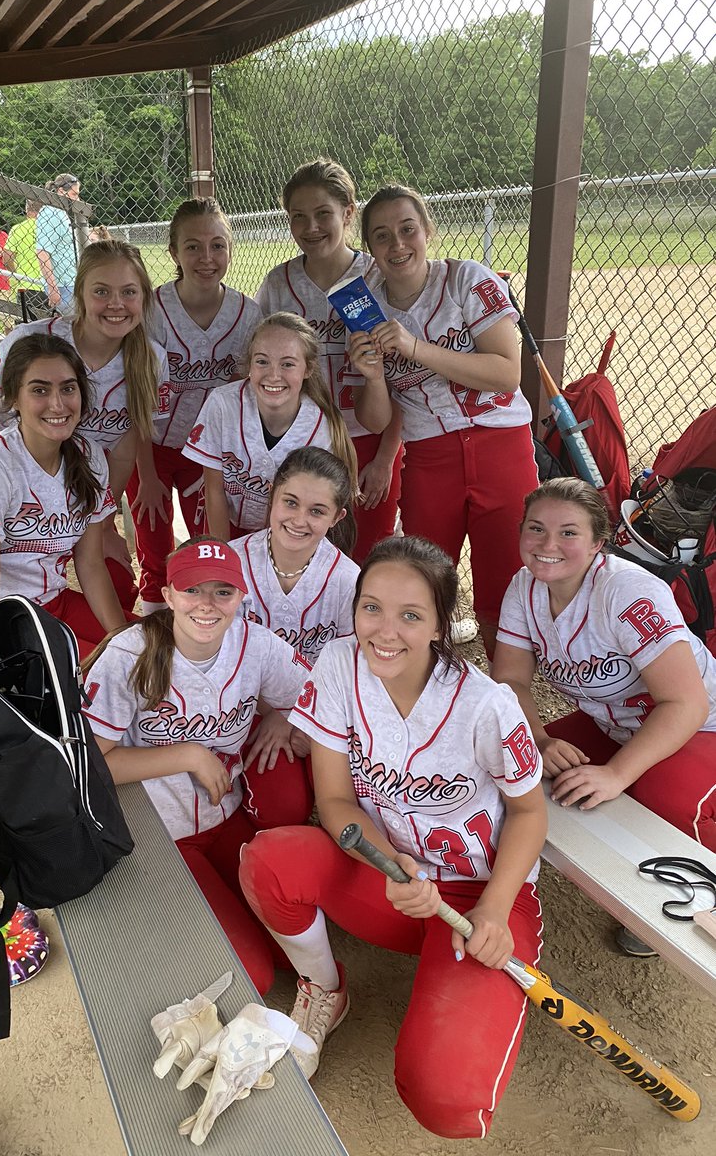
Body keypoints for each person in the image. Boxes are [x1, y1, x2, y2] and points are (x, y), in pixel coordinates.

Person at [238, 536, 546, 1138]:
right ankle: (325, 987)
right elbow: (334, 800)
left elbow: (530, 814)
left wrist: (493, 909)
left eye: (410, 615)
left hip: (474, 895)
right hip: (386, 876)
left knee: (446, 1101)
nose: (384, 630)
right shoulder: (338, 662)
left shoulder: (488, 704)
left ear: (440, 625)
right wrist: (389, 864)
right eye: (371, 607)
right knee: (270, 860)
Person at [82, 538, 310, 994]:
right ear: (168, 596)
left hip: (225, 813)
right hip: (158, 831)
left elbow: (317, 705)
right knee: (252, 975)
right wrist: (189, 754)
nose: (207, 604)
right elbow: (91, 765)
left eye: (222, 591)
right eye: (192, 589)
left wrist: (283, 717)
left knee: (294, 946)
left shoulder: (256, 644)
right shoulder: (129, 654)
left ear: (241, 597)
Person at [351, 184, 539, 656]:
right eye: (381, 236)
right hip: (429, 454)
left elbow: (506, 372)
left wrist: (414, 348)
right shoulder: (366, 307)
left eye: (407, 229)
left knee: (505, 582)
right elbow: (375, 420)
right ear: (369, 248)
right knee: (423, 584)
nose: (397, 244)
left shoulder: (465, 279)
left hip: (499, 443)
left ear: (428, 231)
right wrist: (373, 377)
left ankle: (507, 686)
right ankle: (423, 681)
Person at [493, 477, 716, 855]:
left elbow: (687, 704)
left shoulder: (626, 590)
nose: (548, 545)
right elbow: (510, 680)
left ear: (597, 543)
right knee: (514, 761)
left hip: (703, 724)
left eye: (568, 532)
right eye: (536, 529)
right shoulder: (524, 586)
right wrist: (540, 740)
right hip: (615, 724)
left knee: (664, 801)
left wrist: (616, 773)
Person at [0, 239, 171, 616]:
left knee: (117, 580)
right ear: (80, 294)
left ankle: (79, 634)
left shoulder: (151, 360)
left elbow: (124, 448)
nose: (116, 304)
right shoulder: (32, 340)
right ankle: (5, 631)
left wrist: (102, 522)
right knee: (8, 571)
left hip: (76, 472)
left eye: (129, 292)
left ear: (144, 298)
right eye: (101, 291)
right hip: (3, 463)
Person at [0, 332, 125, 658]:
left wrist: (125, 641)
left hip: (53, 603)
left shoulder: (89, 456)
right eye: (40, 390)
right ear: (13, 398)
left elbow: (91, 563)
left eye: (68, 388)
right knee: (108, 678)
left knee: (153, 655)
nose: (58, 404)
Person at [258, 158, 402, 562]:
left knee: (370, 553)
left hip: (370, 436)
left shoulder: (377, 275)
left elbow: (403, 381)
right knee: (306, 551)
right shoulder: (279, 284)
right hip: (302, 439)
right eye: (298, 216)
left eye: (323, 214)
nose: (311, 227)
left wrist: (386, 459)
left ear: (348, 213)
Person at [129, 197, 261, 612]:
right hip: (150, 445)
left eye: (217, 245)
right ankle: (155, 622)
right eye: (193, 246)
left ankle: (209, 622)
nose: (207, 257)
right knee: (153, 543)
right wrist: (147, 475)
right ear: (173, 252)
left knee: (208, 546)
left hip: (208, 452)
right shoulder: (150, 310)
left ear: (230, 249)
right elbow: (134, 395)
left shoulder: (248, 314)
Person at [183, 312, 358, 539]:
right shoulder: (223, 403)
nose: (274, 375)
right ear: (249, 364)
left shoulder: (321, 429)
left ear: (308, 369)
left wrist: (265, 554)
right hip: (226, 520)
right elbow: (214, 489)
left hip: (287, 531)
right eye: (262, 361)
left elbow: (303, 509)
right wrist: (223, 553)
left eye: (287, 364)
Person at [229, 446, 359, 665]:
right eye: (291, 502)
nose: (299, 521)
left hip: (319, 687)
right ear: (272, 495)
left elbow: (349, 665)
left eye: (317, 511)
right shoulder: (232, 560)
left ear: (337, 517)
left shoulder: (348, 579)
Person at [36, 172, 81, 313]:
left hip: (69, 282)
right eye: (74, 194)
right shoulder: (51, 213)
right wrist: (52, 288)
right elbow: (42, 253)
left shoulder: (60, 212)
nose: (77, 199)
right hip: (62, 285)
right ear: (61, 192)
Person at [6, 199, 48, 319]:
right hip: (48, 285)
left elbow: (7, 258)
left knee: (26, 324)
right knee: (48, 324)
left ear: (27, 209)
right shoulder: (48, 229)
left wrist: (15, 274)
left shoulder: (18, 229)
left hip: (25, 285)